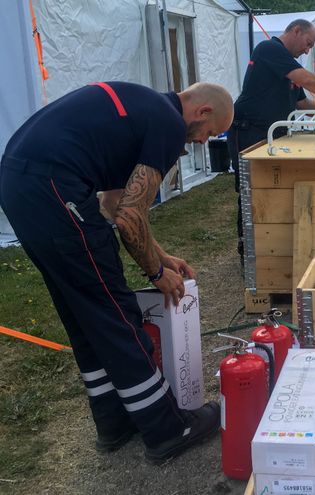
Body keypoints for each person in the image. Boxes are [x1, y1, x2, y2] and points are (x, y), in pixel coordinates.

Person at [0, 81, 234, 462]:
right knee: (114, 310)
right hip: (53, 187)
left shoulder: (142, 109)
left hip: (19, 184)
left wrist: (162, 254)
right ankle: (167, 428)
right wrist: (158, 272)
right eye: (211, 133)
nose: (206, 142)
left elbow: (113, 204)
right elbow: (128, 218)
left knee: (84, 309)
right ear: (202, 111)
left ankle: (114, 420)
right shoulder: (169, 124)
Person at [228, 19, 315, 256]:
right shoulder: (269, 49)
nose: (307, 50)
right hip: (248, 130)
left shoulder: (287, 65)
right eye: (307, 43)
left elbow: (302, 102)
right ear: (296, 31)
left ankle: (270, 239)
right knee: (250, 189)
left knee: (271, 187)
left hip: (272, 134)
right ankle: (249, 249)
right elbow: (306, 79)